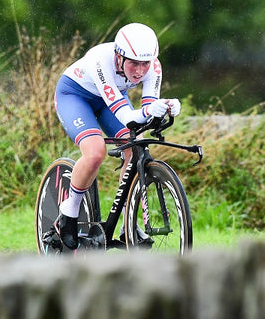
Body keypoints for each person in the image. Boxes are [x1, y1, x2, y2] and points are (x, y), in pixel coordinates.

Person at [53, 22, 182, 249]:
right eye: (134, 63)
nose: (140, 71)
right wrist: (148, 112)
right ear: (119, 57)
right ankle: (68, 211)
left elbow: (148, 108)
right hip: (75, 96)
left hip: (108, 101)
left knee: (136, 147)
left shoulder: (154, 66)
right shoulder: (101, 60)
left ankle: (128, 224)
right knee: (95, 153)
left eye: (145, 64)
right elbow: (126, 116)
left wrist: (166, 108)